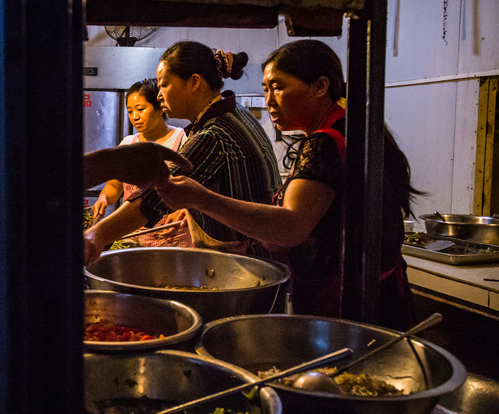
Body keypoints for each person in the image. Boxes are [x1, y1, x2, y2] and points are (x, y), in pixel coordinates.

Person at [155, 39, 418, 329]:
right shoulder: (351, 128)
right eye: (266, 88)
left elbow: (291, 226)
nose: (268, 99)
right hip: (374, 294)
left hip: (346, 307)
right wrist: (255, 237)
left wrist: (201, 198)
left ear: (320, 86)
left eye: (279, 87)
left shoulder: (325, 142)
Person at [84, 41, 281, 263]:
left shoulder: (212, 135)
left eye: (164, 84)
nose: (159, 95)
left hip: (247, 267)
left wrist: (97, 235)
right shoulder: (236, 113)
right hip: (260, 260)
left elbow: (158, 195)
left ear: (194, 82)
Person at [90, 79, 188, 246]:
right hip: (133, 236)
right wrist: (104, 197)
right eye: (130, 111)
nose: (135, 117)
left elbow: (195, 186)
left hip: (173, 235)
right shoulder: (128, 144)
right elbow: (114, 185)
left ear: (159, 108)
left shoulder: (182, 140)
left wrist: (184, 209)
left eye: (141, 109)